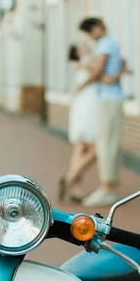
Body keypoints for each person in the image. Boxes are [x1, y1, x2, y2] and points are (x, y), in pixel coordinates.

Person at [77, 17, 130, 207]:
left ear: (98, 28)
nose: (91, 37)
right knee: (110, 143)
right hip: (111, 98)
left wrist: (85, 65)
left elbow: (99, 70)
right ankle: (110, 186)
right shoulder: (110, 43)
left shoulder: (106, 44)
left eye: (90, 32)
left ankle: (107, 188)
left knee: (105, 144)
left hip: (109, 99)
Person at [59, 44, 99, 203]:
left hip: (80, 104)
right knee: (94, 149)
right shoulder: (87, 60)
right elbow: (98, 71)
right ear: (78, 51)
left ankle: (76, 189)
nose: (86, 46)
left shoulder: (78, 64)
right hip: (89, 105)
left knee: (79, 148)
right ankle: (70, 178)